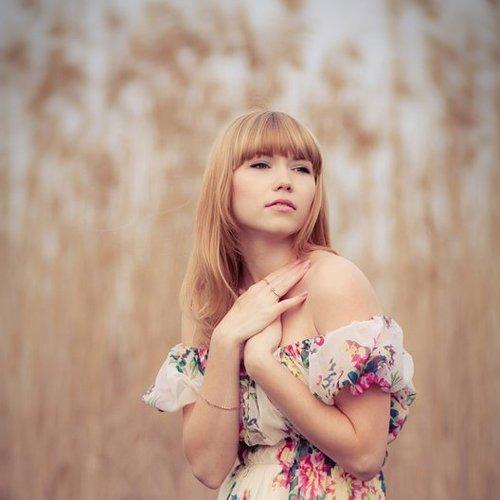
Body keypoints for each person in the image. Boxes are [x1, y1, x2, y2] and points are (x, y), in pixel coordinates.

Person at [141, 109, 417, 499]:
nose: (285, 181)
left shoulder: (334, 282)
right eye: (261, 164)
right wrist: (226, 341)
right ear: (223, 184)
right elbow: (208, 467)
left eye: (302, 169)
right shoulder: (208, 302)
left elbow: (365, 454)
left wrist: (262, 365)